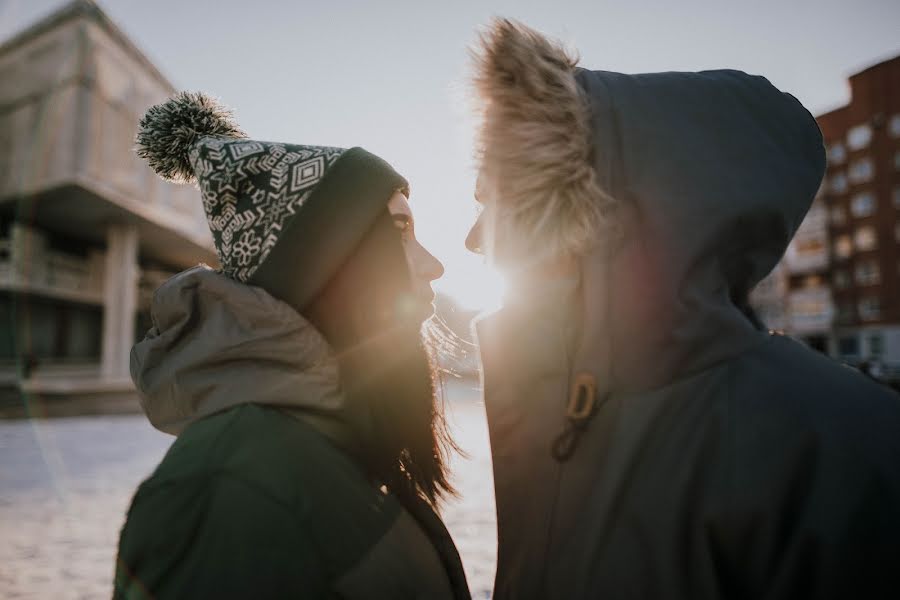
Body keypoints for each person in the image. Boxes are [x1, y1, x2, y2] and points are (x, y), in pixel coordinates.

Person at [466, 19, 900, 600]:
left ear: (587, 213)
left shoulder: (847, 446)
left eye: (492, 198)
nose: (473, 237)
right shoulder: (564, 404)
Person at [114, 92, 470, 599]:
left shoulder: (344, 434)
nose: (434, 264)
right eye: (399, 229)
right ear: (323, 264)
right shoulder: (224, 490)